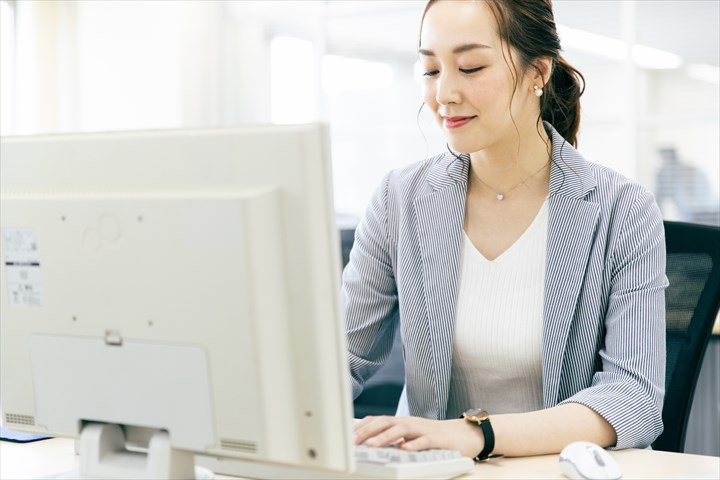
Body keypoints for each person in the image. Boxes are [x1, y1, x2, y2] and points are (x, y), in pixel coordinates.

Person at [343, 0, 667, 460]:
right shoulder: (400, 199)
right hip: (434, 471)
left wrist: (477, 434)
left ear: (537, 72)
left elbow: (635, 399)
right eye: (432, 70)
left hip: (557, 470)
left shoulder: (622, 209)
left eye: (471, 67)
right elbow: (342, 357)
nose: (444, 94)